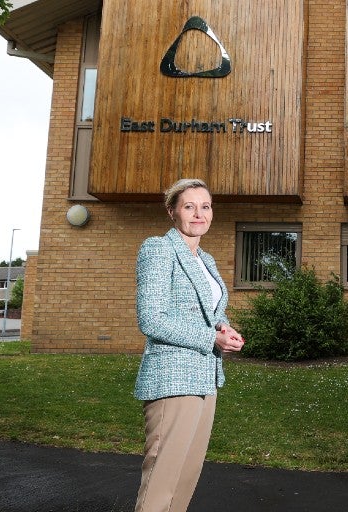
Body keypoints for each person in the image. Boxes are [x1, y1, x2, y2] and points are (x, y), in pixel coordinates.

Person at [133, 178, 245, 512]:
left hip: (204, 379)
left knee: (184, 480)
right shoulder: (158, 249)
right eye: (189, 206)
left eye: (205, 206)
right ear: (172, 211)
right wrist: (211, 337)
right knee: (161, 482)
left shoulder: (205, 259)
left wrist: (223, 326)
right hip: (172, 379)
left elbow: (209, 311)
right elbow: (152, 318)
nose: (199, 214)